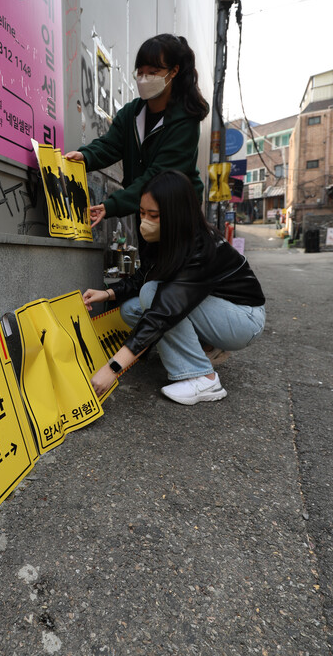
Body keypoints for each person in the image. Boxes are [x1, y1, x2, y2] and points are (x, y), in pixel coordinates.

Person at [82, 171, 266, 405]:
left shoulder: (202, 247)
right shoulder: (161, 236)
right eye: (142, 213)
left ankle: (204, 378)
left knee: (152, 296)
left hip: (243, 318)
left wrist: (112, 368)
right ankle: (204, 346)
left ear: (176, 214)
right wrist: (108, 293)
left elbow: (164, 310)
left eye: (154, 215)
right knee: (130, 310)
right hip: (210, 308)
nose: (145, 221)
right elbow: (145, 275)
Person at [65, 34, 209, 230]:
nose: (143, 79)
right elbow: (110, 145)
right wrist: (84, 156)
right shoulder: (132, 113)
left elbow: (157, 176)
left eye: (153, 72)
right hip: (146, 210)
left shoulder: (185, 122)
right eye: (140, 73)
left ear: (174, 71)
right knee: (151, 259)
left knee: (175, 259)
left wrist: (112, 205)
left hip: (177, 213)